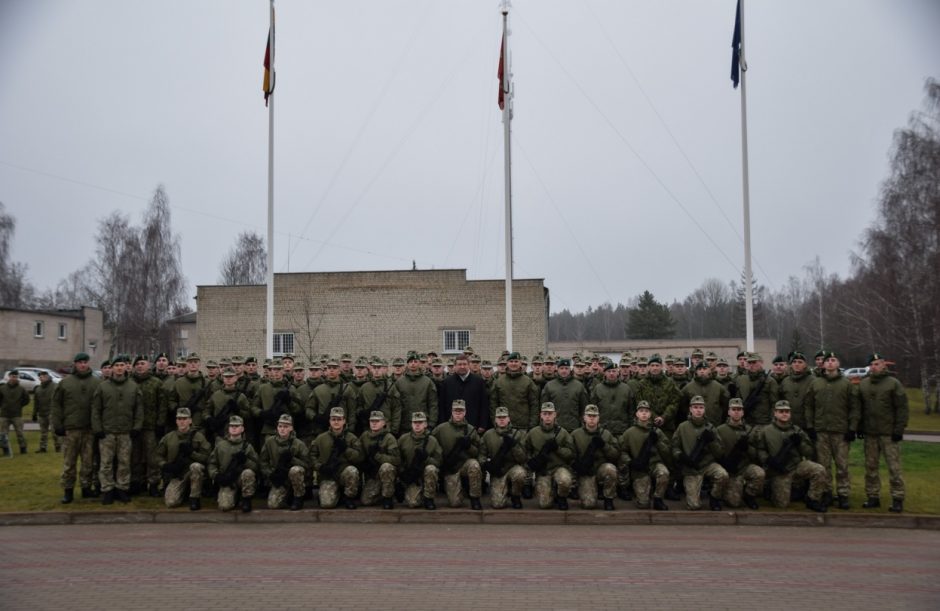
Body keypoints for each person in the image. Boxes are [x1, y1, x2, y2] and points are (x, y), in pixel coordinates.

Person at [804, 350, 860, 509]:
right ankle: (827, 493)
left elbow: (855, 407)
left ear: (838, 364)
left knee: (842, 466)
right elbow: (809, 406)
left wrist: (852, 428)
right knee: (824, 466)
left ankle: (843, 494)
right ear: (823, 364)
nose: (830, 363)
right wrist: (810, 426)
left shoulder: (847, 384)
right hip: (821, 431)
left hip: (840, 431)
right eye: (827, 360)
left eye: (833, 360)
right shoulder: (816, 383)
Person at [755, 400, 828, 512]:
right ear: (775, 413)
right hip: (778, 471)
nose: (784, 414)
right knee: (781, 504)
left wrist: (800, 444)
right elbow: (760, 450)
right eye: (781, 411)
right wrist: (768, 460)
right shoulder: (765, 431)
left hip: (796, 466)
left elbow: (809, 452)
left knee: (819, 470)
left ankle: (812, 499)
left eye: (787, 411)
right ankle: (771, 488)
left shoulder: (797, 430)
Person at [858, 353, 909, 513]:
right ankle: (873, 496)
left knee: (894, 468)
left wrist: (899, 429)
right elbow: (860, 408)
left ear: (883, 365)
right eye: (872, 364)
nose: (874, 367)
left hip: (888, 433)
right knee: (871, 467)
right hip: (870, 433)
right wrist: (860, 427)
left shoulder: (893, 384)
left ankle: (898, 497)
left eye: (877, 364)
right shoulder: (863, 384)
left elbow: (902, 408)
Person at [91, 356, 143, 504]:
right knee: (106, 463)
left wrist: (136, 427)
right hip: (107, 432)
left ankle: (122, 488)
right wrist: (98, 429)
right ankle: (107, 490)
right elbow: (96, 409)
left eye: (122, 365)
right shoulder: (103, 387)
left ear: (125, 367)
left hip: (126, 432)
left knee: (124, 462)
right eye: (116, 365)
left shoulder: (133, 387)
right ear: (112, 368)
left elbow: (139, 409)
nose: (119, 368)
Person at [52, 353, 101, 503]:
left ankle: (86, 488)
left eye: (85, 362)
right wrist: (58, 425)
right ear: (75, 364)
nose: (82, 365)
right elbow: (56, 405)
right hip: (71, 429)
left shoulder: (96, 382)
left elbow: (100, 406)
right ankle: (68, 491)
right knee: (69, 462)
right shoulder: (65, 383)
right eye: (79, 362)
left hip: (89, 429)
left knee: (88, 462)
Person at [671, 395, 728, 511]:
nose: (698, 410)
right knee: (693, 505)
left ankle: (714, 497)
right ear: (690, 409)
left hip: (707, 465)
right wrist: (681, 456)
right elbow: (674, 447)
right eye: (695, 407)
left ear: (704, 409)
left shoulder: (710, 427)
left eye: (701, 407)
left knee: (722, 474)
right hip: (691, 469)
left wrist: (711, 441)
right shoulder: (682, 427)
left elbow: (720, 452)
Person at [155, 407, 211, 510]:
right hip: (177, 474)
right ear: (176, 421)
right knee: (171, 503)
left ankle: (195, 498)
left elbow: (207, 457)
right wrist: (165, 465)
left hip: (192, 472)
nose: (182, 422)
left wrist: (192, 453)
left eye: (185, 419)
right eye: (179, 419)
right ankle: (184, 493)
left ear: (190, 420)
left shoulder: (199, 437)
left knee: (196, 466)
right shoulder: (169, 437)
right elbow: (158, 455)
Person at [432, 400, 483, 509]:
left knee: (474, 465)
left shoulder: (470, 429)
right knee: (455, 503)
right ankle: (461, 487)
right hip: (450, 468)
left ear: (465, 412)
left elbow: (479, 452)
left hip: (465, 464)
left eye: (461, 411)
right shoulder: (441, 429)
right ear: (451, 412)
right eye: (456, 411)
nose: (458, 413)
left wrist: (469, 447)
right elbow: (431, 443)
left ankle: (475, 497)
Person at [715, 398, 765, 510]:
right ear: (729, 412)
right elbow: (717, 452)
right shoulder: (720, 430)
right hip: (731, 470)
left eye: (739, 409)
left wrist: (748, 448)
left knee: (759, 473)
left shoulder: (749, 430)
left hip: (745, 466)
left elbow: (756, 454)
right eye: (734, 409)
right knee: (734, 503)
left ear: (743, 412)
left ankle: (749, 495)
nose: (736, 412)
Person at [523, 402, 575, 510]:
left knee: (565, 479)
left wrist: (558, 449)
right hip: (543, 471)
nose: (547, 416)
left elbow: (571, 454)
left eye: (550, 414)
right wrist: (534, 461)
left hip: (558, 468)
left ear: (555, 415)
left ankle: (562, 497)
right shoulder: (533, 433)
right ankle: (552, 492)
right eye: (545, 414)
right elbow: (525, 451)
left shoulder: (563, 433)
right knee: (545, 504)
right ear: (541, 415)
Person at [619, 401, 670, 510]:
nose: (644, 414)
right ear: (637, 414)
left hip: (654, 464)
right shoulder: (629, 433)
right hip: (639, 468)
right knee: (643, 504)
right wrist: (630, 462)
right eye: (641, 411)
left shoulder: (657, 432)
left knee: (664, 473)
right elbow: (622, 451)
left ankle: (658, 499)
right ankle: (645, 492)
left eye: (646, 411)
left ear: (650, 414)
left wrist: (657, 442)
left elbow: (667, 451)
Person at [310, 407, 363, 509]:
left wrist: (346, 449)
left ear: (344, 421)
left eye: (339, 419)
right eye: (333, 419)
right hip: (328, 475)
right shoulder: (321, 438)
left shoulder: (351, 438)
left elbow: (359, 457)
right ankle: (337, 495)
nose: (336, 422)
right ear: (329, 421)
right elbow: (312, 456)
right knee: (327, 504)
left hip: (343, 473)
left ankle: (349, 497)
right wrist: (320, 467)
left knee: (352, 471)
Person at [570, 405, 620, 510]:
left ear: (598, 418)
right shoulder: (576, 434)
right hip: (586, 471)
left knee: (610, 469)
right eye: (589, 416)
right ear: (584, 418)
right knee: (589, 504)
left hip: (601, 468)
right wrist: (579, 467)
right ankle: (589, 489)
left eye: (594, 416)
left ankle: (608, 499)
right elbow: (570, 455)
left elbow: (616, 455)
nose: (592, 418)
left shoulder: (606, 434)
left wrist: (604, 445)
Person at [208, 415, 259, 512]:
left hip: (241, 479)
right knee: (224, 506)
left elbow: (256, 466)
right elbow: (212, 463)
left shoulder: (247, 447)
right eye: (232, 426)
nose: (234, 428)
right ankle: (235, 497)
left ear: (242, 428)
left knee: (248, 473)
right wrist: (216, 475)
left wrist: (246, 461)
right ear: (228, 428)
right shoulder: (220, 445)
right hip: (226, 479)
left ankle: (246, 499)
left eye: (237, 426)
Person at [480, 406, 527, 509]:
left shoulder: (518, 434)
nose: (501, 419)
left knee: (520, 474)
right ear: (495, 419)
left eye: (504, 417)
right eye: (499, 417)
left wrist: (514, 446)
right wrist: (487, 465)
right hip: (497, 471)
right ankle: (506, 489)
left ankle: (516, 495)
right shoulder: (488, 435)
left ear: (509, 419)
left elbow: (523, 458)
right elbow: (481, 455)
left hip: (512, 468)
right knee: (498, 504)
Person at [259, 414, 309, 510]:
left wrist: (293, 460)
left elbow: (307, 464)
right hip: (279, 478)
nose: (282, 429)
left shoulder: (298, 444)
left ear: (291, 428)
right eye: (280, 426)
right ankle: (287, 496)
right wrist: (270, 474)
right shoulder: (269, 442)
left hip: (294, 478)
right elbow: (262, 462)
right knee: (273, 505)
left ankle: (298, 497)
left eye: (286, 426)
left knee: (295, 470)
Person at [130, 355, 164, 497]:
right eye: (137, 363)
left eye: (142, 363)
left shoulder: (156, 383)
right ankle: (138, 483)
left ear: (149, 365)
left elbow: (162, 405)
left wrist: (160, 423)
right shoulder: (130, 383)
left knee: (152, 457)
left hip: (150, 426)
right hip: (133, 427)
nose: (139, 366)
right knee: (135, 456)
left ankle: (154, 484)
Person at [397, 411, 442, 509]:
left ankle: (429, 498)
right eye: (415, 423)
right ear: (411, 424)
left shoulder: (432, 440)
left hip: (426, 475)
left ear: (425, 424)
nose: (417, 425)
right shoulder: (403, 439)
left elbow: (439, 462)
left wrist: (427, 459)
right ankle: (417, 493)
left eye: (420, 423)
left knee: (431, 469)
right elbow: (397, 458)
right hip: (411, 476)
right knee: (413, 503)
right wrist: (402, 472)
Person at [358, 410, 401, 509]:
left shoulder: (389, 438)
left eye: (377, 421)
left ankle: (388, 497)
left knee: (386, 467)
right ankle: (383, 492)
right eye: (372, 421)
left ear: (383, 423)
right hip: (373, 474)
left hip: (386, 473)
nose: (374, 423)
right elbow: (359, 454)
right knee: (366, 501)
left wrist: (378, 456)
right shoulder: (365, 436)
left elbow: (396, 460)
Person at [438, 354, 491, 434]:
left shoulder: (478, 382)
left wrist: (483, 424)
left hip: (473, 426)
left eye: (464, 364)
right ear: (455, 366)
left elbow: (484, 404)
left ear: (469, 365)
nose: (462, 366)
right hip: (451, 427)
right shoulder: (447, 382)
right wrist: (442, 424)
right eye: (459, 364)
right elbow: (442, 406)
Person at [388, 352, 439, 431]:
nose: (413, 364)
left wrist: (431, 423)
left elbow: (433, 404)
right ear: (407, 364)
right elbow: (393, 405)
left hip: (422, 424)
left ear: (419, 364)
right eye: (411, 362)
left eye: (415, 361)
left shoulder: (427, 382)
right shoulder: (399, 382)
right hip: (404, 425)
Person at [491, 352, 540, 429]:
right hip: (503, 426)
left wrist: (532, 425)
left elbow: (534, 405)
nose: (513, 364)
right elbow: (493, 404)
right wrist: (495, 422)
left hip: (523, 427)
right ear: (507, 363)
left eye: (516, 361)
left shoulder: (528, 382)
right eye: (511, 361)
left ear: (520, 363)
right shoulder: (499, 382)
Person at [540, 357, 589, 432]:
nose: (564, 371)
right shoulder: (549, 386)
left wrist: (582, 425)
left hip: (574, 428)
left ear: (570, 370)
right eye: (562, 368)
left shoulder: (579, 386)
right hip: (554, 428)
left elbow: (584, 408)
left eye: (566, 368)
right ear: (557, 369)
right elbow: (543, 407)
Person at [0, 369, 30, 456]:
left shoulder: (21, 389)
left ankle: (23, 448)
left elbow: (26, 399)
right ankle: (5, 449)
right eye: (13, 377)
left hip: (17, 415)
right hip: (4, 415)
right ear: (9, 377)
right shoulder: (2, 388)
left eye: (16, 377)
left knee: (20, 433)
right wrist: (3, 406)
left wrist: (19, 405)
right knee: (3, 434)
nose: (14, 378)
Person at [32, 370, 61, 453]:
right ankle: (43, 447)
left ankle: (58, 446)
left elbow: (60, 399)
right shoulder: (38, 389)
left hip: (52, 412)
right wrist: (34, 413)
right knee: (43, 432)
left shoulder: (55, 386)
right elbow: (36, 402)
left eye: (43, 377)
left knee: (54, 431)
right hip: (42, 413)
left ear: (47, 377)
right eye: (40, 377)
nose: (41, 378)